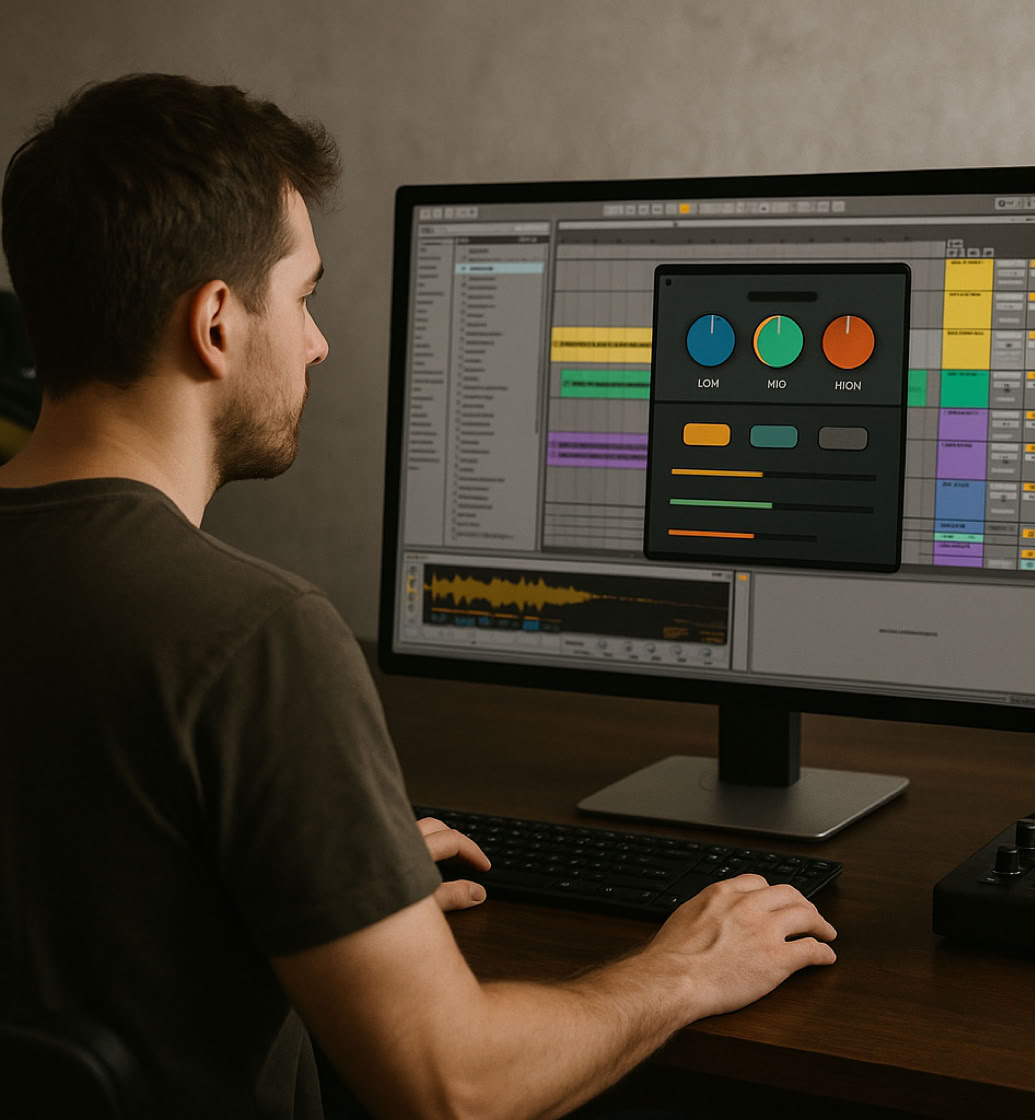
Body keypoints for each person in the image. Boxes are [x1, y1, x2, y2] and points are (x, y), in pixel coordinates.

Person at [0, 73, 837, 1120]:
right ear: (214, 323)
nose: (317, 342)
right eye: (303, 294)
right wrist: (683, 970)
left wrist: (323, 877)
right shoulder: (252, 638)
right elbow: (452, 1088)